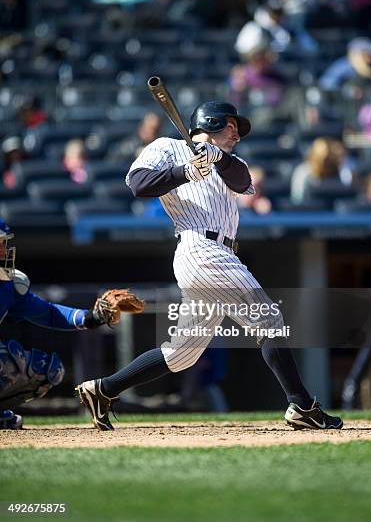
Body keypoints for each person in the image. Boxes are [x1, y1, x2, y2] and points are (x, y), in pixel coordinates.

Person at [76, 101, 343, 431]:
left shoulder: (231, 162)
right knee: (268, 319)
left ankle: (104, 389)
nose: (237, 134)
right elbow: (138, 184)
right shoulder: (169, 147)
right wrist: (183, 172)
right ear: (211, 122)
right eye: (231, 126)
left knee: (181, 354)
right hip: (199, 247)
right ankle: (302, 405)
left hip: (218, 253)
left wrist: (217, 157)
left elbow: (243, 180)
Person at [0, 219, 125, 429]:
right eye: (0, 243)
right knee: (7, 358)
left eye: (4, 243)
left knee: (47, 369)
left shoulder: (9, 286)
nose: (5, 250)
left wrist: (91, 317)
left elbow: (48, 313)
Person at [290, 137, 353, 204]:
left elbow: (347, 195)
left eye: (327, 156)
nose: (324, 159)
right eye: (320, 155)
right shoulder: (302, 172)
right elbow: (297, 200)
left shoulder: (341, 171)